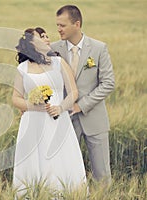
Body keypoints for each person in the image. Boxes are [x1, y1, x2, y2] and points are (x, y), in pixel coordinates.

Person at [12, 28, 86, 198]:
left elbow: (73, 92)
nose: (47, 38)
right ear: (31, 43)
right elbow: (15, 98)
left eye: (46, 35)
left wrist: (60, 108)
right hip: (32, 123)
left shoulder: (59, 63)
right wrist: (33, 105)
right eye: (41, 36)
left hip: (57, 120)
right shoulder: (23, 68)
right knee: (35, 160)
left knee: (59, 159)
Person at [50, 5, 115, 185]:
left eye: (62, 25)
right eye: (57, 25)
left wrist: (81, 105)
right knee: (66, 174)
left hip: (95, 119)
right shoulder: (53, 49)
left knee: (102, 175)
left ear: (76, 24)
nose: (58, 29)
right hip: (65, 121)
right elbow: (42, 79)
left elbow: (108, 83)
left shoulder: (99, 48)